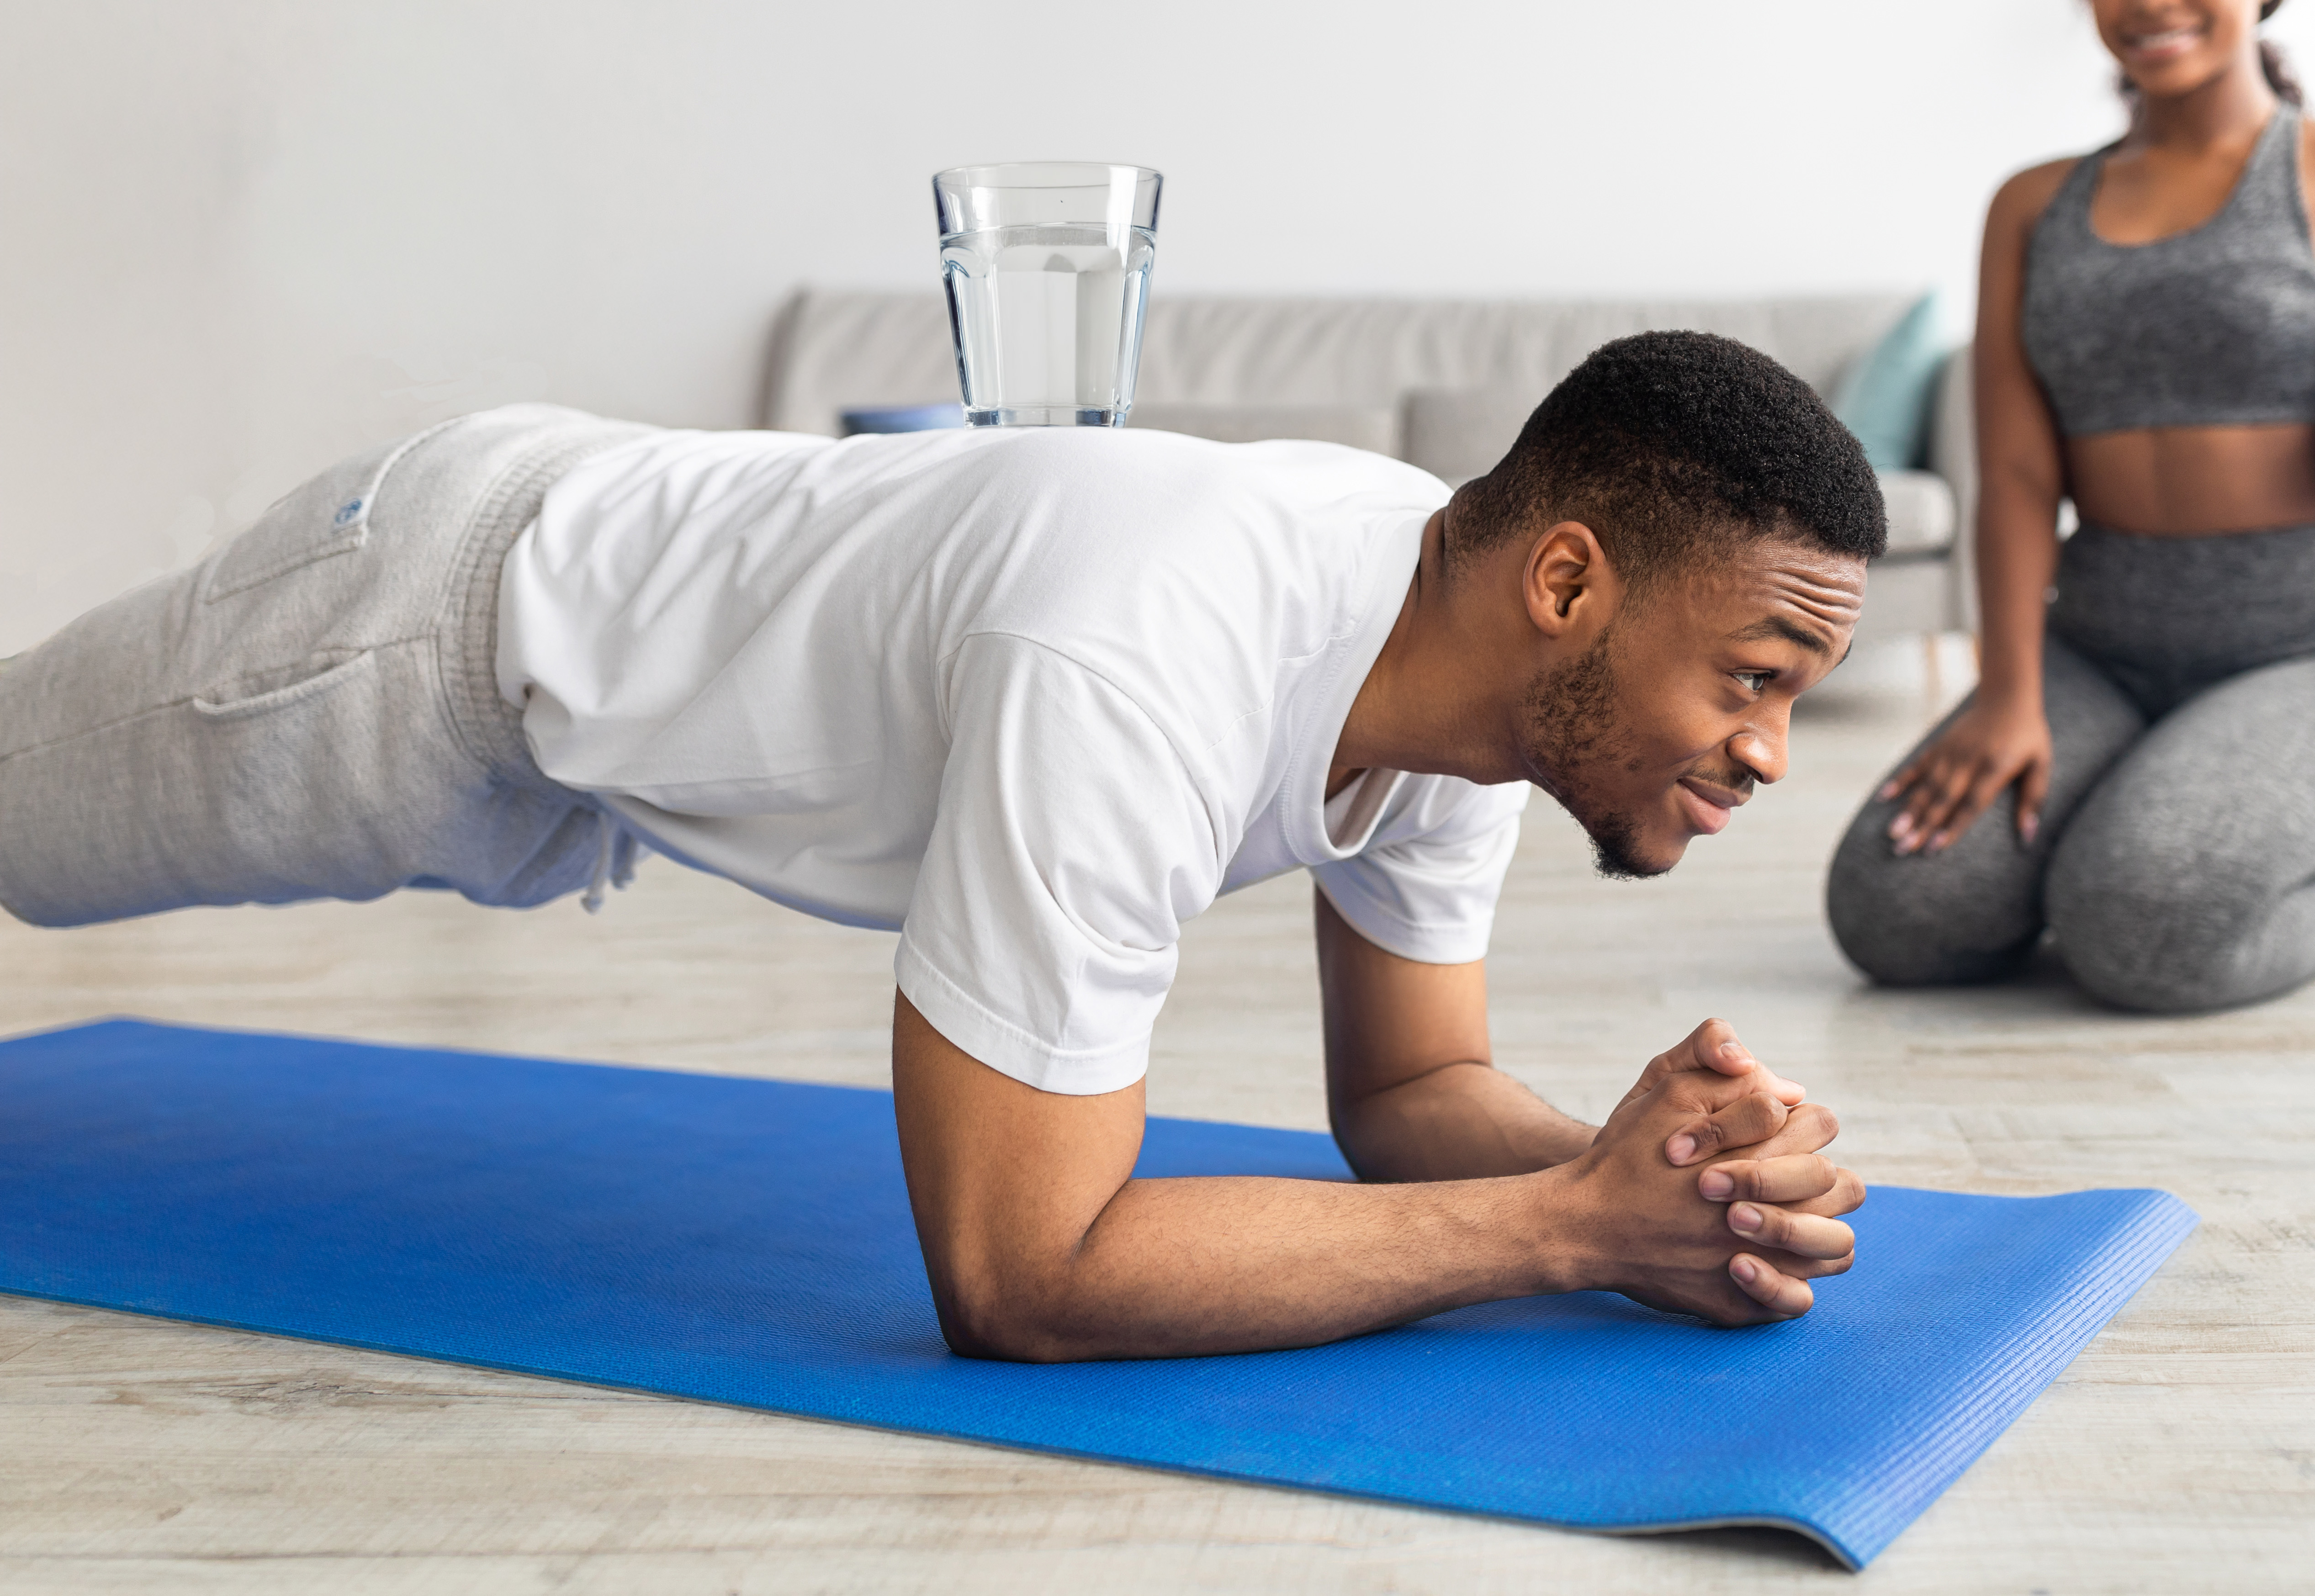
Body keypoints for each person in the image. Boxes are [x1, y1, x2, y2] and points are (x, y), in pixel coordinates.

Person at [0, 332, 1882, 1360]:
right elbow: (1024, 1276)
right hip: (426, 619)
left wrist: (1661, 1190)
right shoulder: (1149, 656)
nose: (1770, 750)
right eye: (1756, 673)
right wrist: (1565, 1231)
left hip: (590, 701)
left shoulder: (1462, 659)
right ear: (1572, 584)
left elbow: (1415, 1084)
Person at [1830, 0, 2315, 1014]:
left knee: (2143, 928)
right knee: (1894, 909)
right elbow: (2012, 476)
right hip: (2096, 642)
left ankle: (2182, 837)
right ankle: (2156, 811)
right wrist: (2008, 690)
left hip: (2291, 646)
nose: (2146, 6)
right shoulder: (2031, 205)